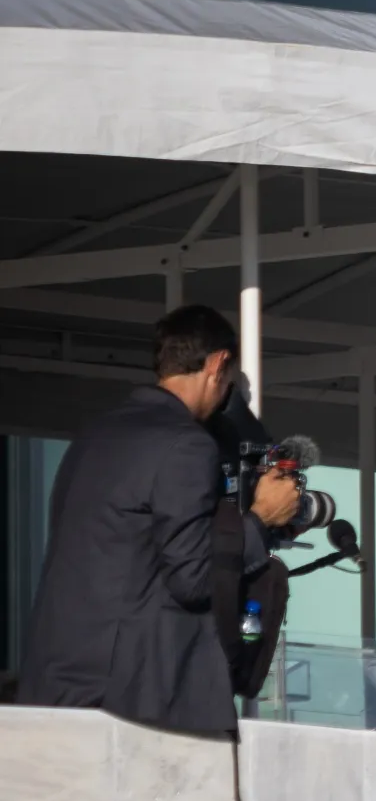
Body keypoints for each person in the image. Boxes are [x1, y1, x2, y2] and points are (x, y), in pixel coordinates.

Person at [19, 305, 299, 733]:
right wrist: (261, 518)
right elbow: (194, 578)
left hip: (56, 682)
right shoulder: (185, 444)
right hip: (128, 699)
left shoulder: (95, 433)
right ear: (218, 363)